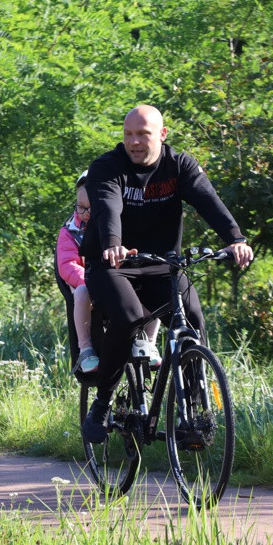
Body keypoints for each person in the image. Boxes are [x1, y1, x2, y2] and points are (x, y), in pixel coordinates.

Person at [79, 105, 253, 443]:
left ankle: (197, 413)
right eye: (128, 134)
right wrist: (113, 243)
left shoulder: (179, 165)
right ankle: (101, 403)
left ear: (161, 134)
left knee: (191, 318)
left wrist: (235, 239)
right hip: (112, 264)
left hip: (162, 264)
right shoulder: (106, 167)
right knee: (129, 318)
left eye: (142, 134)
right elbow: (107, 206)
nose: (134, 142)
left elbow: (207, 200)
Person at [56, 170, 160, 374]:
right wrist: (85, 280)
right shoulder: (70, 231)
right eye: (80, 207)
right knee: (82, 292)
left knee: (153, 289)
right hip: (86, 285)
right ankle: (85, 349)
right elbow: (67, 264)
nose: (85, 213)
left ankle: (149, 342)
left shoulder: (121, 224)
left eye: (91, 208)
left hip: (122, 283)